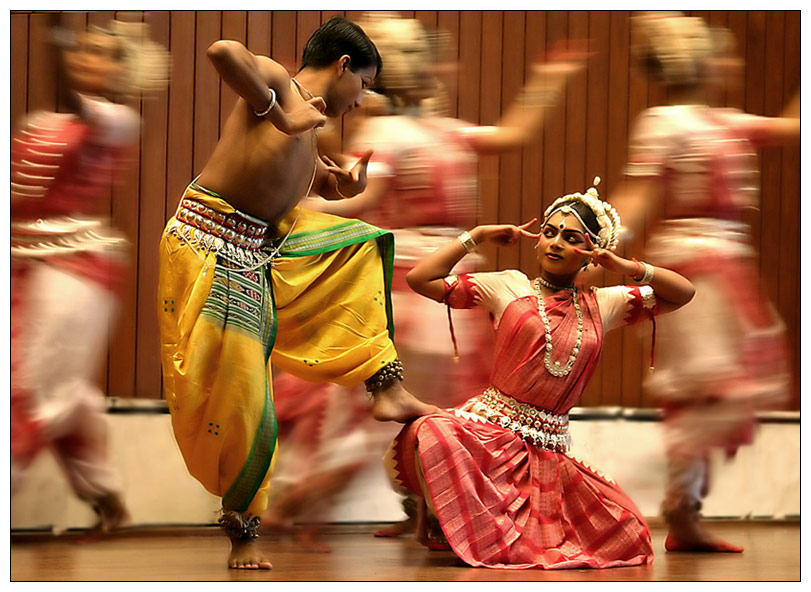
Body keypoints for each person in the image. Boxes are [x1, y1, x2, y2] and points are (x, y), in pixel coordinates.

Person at [286, 13, 589, 539]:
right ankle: (320, 495)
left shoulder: (415, 130)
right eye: (437, 57)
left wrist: (550, 80)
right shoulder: (410, 132)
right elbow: (368, 200)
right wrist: (290, 212)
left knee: (406, 404)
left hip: (426, 283)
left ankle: (407, 504)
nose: (446, 66)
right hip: (426, 287)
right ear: (422, 69)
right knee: (420, 404)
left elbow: (510, 136)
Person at [156, 16, 437, 570]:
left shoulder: (314, 124)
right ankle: (243, 530)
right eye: (365, 85)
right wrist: (276, 109)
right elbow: (222, 50)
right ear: (343, 66)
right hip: (209, 242)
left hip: (261, 244)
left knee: (359, 244)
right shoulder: (284, 85)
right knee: (243, 397)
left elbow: (286, 178)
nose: (363, 100)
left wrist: (340, 185)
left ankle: (386, 386)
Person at [385, 179, 695, 569]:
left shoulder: (605, 303)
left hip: (548, 449)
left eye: (571, 237)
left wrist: (627, 267)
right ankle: (445, 521)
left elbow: (682, 293)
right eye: (549, 233)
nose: (555, 243)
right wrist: (476, 237)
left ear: (591, 253)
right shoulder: (508, 285)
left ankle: (466, 524)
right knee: (431, 431)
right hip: (489, 430)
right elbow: (420, 280)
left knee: (629, 531)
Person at [608, 12, 799, 553]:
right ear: (702, 61)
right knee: (715, 388)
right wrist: (605, 241)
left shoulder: (727, 121)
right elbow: (640, 194)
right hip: (696, 271)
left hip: (726, 268)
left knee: (715, 389)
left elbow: (791, 128)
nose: (732, 63)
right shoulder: (665, 123)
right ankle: (651, 488)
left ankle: (684, 509)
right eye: (724, 53)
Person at [10, 20, 169, 538]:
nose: (85, 57)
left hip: (76, 267)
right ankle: (104, 494)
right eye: (83, 48)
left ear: (123, 72)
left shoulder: (119, 120)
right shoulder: (39, 122)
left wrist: (55, 38)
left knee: (32, 390)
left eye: (102, 53)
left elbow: (83, 104)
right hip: (20, 262)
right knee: (51, 389)